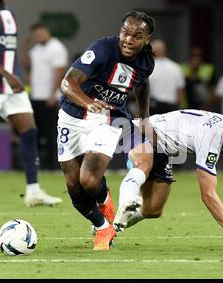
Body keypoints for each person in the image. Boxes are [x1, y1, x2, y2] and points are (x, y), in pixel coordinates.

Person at [58, 11, 155, 251]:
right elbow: (67, 83)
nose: (129, 40)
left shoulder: (146, 61)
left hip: (107, 117)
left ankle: (102, 216)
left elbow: (141, 83)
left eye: (137, 36)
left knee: (88, 180)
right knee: (73, 185)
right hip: (72, 115)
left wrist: (143, 115)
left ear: (147, 39)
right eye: (125, 33)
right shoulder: (102, 49)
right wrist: (87, 101)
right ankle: (103, 225)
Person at [114, 106, 223, 250]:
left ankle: (111, 226)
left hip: (162, 150)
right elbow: (208, 194)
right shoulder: (211, 136)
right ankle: (125, 201)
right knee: (143, 164)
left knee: (153, 209)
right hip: (143, 132)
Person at [0, 0, 62, 208]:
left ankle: (33, 191)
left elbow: (7, 51)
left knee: (29, 130)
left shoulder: (9, 14)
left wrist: (13, 75)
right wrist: (7, 75)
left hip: (11, 85)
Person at [20, 23, 68, 170]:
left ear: (46, 31)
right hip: (36, 97)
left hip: (50, 98)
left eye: (39, 33)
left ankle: (54, 166)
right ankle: (37, 165)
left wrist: (54, 94)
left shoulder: (56, 48)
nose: (37, 36)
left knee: (52, 134)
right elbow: (24, 64)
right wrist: (24, 47)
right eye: (34, 35)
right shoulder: (36, 49)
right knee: (36, 133)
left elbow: (59, 73)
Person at [148, 39, 185, 115]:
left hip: (154, 107)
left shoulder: (149, 68)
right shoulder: (176, 67)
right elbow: (180, 92)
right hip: (172, 107)